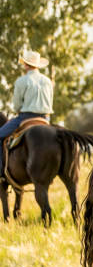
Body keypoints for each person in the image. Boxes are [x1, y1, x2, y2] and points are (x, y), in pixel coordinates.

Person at [0, 50, 54, 179]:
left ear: (25, 65)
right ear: (38, 65)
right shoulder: (47, 81)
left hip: (26, 117)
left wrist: (20, 110)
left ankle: (1, 171)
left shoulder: (22, 81)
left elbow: (17, 105)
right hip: (45, 118)